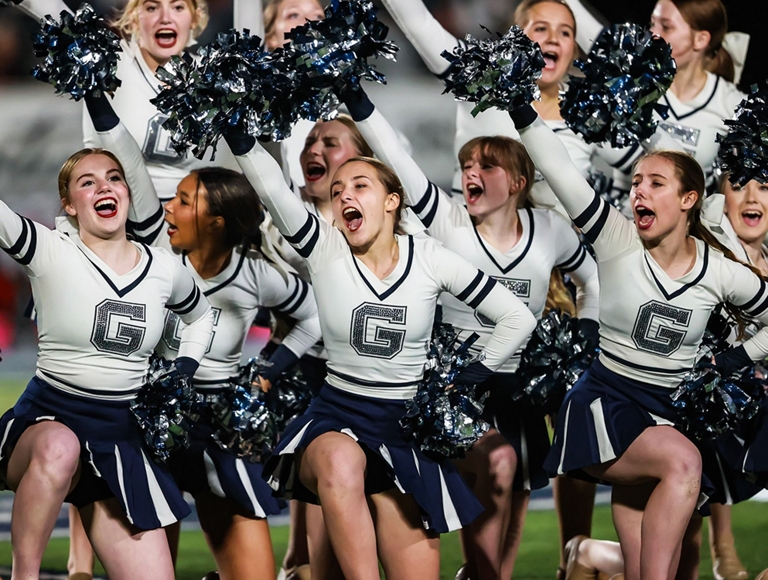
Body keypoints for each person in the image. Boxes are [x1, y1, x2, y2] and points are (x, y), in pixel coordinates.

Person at [222, 123, 537, 578]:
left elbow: (517, 318)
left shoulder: (430, 257)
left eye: (360, 185)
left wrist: (467, 379)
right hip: (337, 416)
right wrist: (237, 130)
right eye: (337, 190)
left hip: (404, 429)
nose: (345, 195)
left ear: (392, 201)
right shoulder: (325, 249)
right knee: (340, 459)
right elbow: (271, 185)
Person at [339, 85, 600, 580]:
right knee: (474, 476)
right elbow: (398, 159)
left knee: (516, 488)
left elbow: (594, 278)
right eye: (466, 165)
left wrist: (585, 330)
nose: (470, 173)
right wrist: (358, 100)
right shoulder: (450, 223)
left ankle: (485, 574)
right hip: (453, 384)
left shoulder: (550, 229)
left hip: (517, 380)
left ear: (520, 180)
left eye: (487, 165)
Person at [507, 101, 768, 580]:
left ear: (689, 200)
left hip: (671, 413)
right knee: (684, 464)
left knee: (666, 566)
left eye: (655, 183)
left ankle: (585, 554)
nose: (638, 193)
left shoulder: (721, 272)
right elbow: (559, 170)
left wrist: (737, 358)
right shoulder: (617, 239)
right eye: (636, 184)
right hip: (607, 403)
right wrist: (519, 108)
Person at [83, 93, 323, 580]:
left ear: (215, 221)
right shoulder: (155, 247)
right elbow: (127, 157)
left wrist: (270, 368)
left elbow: (315, 314)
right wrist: (93, 92)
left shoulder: (255, 274)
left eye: (184, 200)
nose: (168, 207)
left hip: (223, 427)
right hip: (154, 421)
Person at [0, 146, 215, 580]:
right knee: (61, 448)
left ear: (127, 193)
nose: (104, 186)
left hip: (121, 436)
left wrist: (183, 370)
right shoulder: (50, 249)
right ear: (69, 204)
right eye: (88, 181)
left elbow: (202, 315)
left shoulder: (162, 268)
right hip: (50, 419)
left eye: (114, 178)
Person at [379, 0, 681, 215]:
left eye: (565, 32)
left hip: (564, 281)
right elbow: (418, 23)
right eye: (540, 28)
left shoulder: (591, 112)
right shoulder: (483, 84)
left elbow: (665, 167)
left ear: (574, 50)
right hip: (475, 263)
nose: (553, 38)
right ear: (516, 39)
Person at [567, 0, 746, 190]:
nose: (653, 34)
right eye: (653, 23)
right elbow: (593, 34)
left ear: (700, 40)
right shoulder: (632, 78)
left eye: (666, 27)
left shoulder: (731, 103)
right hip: (622, 214)